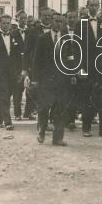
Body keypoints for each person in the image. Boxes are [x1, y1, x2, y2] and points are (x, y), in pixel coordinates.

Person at [32, 13, 78, 146]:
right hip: (46, 80)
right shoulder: (43, 38)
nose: (58, 24)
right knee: (44, 107)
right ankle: (41, 130)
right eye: (56, 21)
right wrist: (35, 79)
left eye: (61, 22)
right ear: (52, 21)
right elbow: (36, 60)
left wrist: (73, 74)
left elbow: (70, 57)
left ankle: (57, 138)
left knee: (60, 108)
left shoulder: (66, 38)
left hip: (62, 79)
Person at [75, 0, 102, 137]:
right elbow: (76, 48)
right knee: (87, 97)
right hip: (86, 66)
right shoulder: (80, 24)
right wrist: (79, 68)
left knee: (101, 97)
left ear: (99, 6)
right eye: (91, 5)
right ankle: (86, 128)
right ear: (87, 7)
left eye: (96, 5)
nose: (93, 8)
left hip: (100, 67)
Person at [0, 14, 25, 130]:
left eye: (8, 23)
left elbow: (20, 56)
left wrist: (21, 72)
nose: (6, 25)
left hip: (13, 73)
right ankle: (8, 122)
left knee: (6, 96)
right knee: (3, 96)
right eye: (4, 23)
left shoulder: (16, 37)